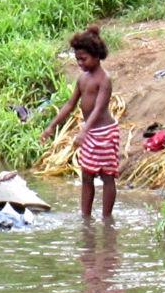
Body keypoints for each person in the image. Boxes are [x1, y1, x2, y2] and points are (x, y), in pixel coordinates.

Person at [40, 25, 119, 217]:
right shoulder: (82, 79)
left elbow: (100, 107)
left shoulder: (104, 79)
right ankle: (86, 217)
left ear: (97, 55)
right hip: (90, 132)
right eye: (77, 59)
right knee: (87, 175)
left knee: (107, 176)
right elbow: (69, 105)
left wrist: (84, 131)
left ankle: (106, 218)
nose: (80, 63)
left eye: (83, 59)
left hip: (104, 133)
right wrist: (51, 126)